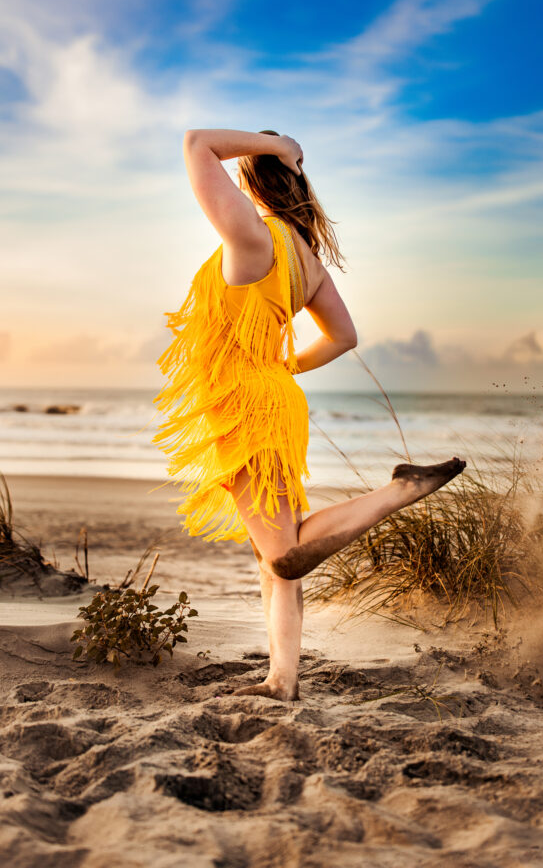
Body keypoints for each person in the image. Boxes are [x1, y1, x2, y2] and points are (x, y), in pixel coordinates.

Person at [153, 128, 466, 701]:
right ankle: (283, 679)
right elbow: (343, 336)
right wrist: (281, 369)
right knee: (273, 552)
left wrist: (276, 144)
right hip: (273, 396)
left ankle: (397, 490)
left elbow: (197, 142)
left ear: (252, 177)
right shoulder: (306, 260)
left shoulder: (251, 236)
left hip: (245, 401)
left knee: (283, 555)